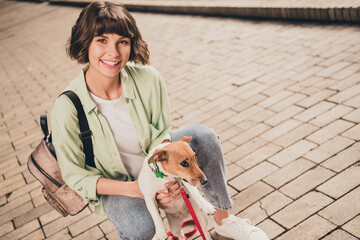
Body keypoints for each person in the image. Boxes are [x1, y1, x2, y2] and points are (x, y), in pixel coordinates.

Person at [51, 1, 269, 239]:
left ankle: (223, 221)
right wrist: (137, 189)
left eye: (122, 41)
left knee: (204, 137)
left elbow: (161, 135)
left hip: (157, 162)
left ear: (131, 44)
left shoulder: (149, 79)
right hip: (119, 184)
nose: (113, 52)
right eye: (101, 40)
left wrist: (166, 175)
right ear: (85, 42)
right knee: (139, 226)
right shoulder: (67, 107)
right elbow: (76, 176)